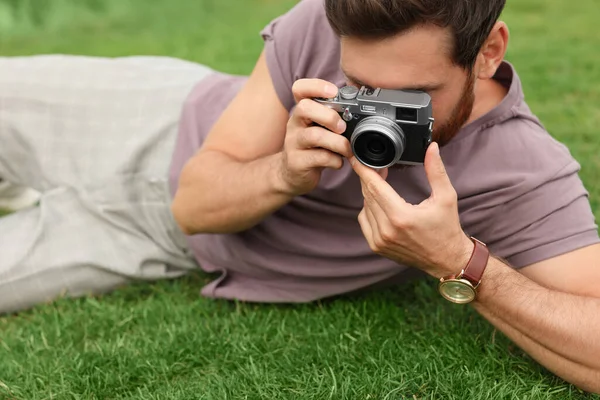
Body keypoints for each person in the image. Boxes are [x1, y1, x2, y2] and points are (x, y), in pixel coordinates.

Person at [0, 0, 598, 392]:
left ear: (488, 50)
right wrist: (284, 172)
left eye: (413, 95)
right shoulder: (323, 20)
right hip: (154, 115)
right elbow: (197, 197)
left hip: (157, 243)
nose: (378, 113)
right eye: (360, 88)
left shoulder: (521, 172)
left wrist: (459, 261)